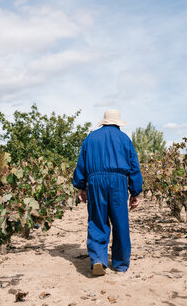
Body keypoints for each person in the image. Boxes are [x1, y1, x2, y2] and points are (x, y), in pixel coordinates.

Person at [73, 109, 143, 276]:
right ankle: (120, 264)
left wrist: (81, 186)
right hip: (118, 181)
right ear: (118, 123)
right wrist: (135, 192)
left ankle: (98, 259)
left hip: (95, 181)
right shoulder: (125, 139)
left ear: (103, 121)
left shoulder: (90, 138)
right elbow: (134, 167)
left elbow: (81, 165)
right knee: (120, 223)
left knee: (98, 221)